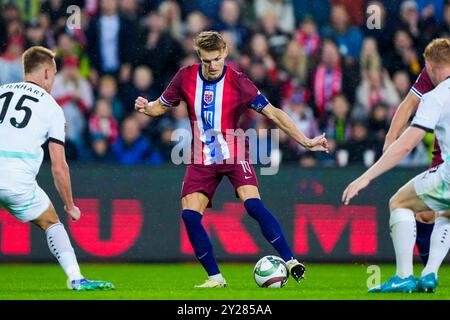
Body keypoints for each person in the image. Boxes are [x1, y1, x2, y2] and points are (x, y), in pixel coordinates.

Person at [135, 31, 328, 288]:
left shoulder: (239, 82)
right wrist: (146, 107)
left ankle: (291, 261)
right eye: (207, 61)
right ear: (199, 57)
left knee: (253, 206)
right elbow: (160, 106)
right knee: (190, 217)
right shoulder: (185, 77)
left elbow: (273, 113)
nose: (213, 66)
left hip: (234, 152)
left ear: (225, 53)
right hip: (201, 157)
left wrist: (305, 140)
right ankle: (215, 277)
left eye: (217, 59)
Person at [0, 46, 114, 291]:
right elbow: (59, 166)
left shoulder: (1, 92)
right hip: (16, 181)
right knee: (52, 222)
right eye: (53, 74)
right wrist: (70, 204)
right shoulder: (51, 107)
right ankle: (76, 279)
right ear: (45, 73)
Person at [342, 38, 450, 293]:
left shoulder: (436, 96)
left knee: (399, 203)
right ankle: (430, 273)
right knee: (446, 212)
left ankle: (403, 276)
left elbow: (406, 146)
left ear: (429, 67)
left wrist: (365, 177)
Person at [383, 65, 444, 266]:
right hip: (444, 151)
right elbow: (409, 104)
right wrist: (391, 138)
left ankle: (409, 274)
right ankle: (430, 273)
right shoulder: (433, 71)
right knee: (427, 215)